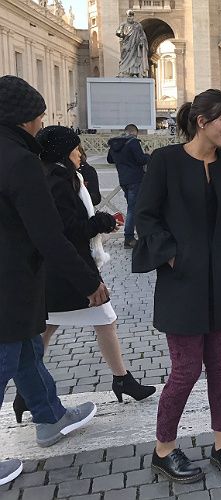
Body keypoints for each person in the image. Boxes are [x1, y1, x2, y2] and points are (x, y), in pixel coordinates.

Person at [132, 89, 221, 484]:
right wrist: (171, 256)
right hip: (182, 284)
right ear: (202, 121)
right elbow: (146, 217)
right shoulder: (166, 161)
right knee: (185, 371)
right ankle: (163, 449)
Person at [0, 75, 103, 486]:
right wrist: (87, 281)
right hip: (10, 280)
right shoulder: (20, 161)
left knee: (26, 350)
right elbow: (48, 232)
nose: (42, 126)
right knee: (4, 360)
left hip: (14, 281)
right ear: (25, 119)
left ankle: (50, 416)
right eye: (40, 118)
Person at [17, 126, 155, 423]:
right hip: (71, 270)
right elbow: (67, 230)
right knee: (101, 320)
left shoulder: (57, 175)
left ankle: (28, 391)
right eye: (77, 149)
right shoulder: (57, 180)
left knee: (52, 326)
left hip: (62, 270)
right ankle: (120, 379)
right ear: (66, 152)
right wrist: (101, 222)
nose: (81, 153)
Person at [107, 123, 150, 248]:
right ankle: (129, 238)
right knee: (133, 209)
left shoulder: (115, 143)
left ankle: (136, 234)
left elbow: (110, 160)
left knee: (132, 207)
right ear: (134, 132)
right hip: (136, 179)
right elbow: (141, 160)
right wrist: (148, 154)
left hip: (123, 180)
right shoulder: (133, 142)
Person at [115, 10, 149, 77]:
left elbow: (142, 35)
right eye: (128, 16)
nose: (130, 18)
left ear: (133, 17)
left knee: (135, 58)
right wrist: (122, 34)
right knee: (124, 57)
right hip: (126, 44)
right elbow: (118, 32)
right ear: (127, 17)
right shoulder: (123, 24)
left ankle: (135, 71)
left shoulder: (138, 25)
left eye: (131, 16)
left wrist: (141, 41)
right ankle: (124, 71)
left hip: (135, 45)